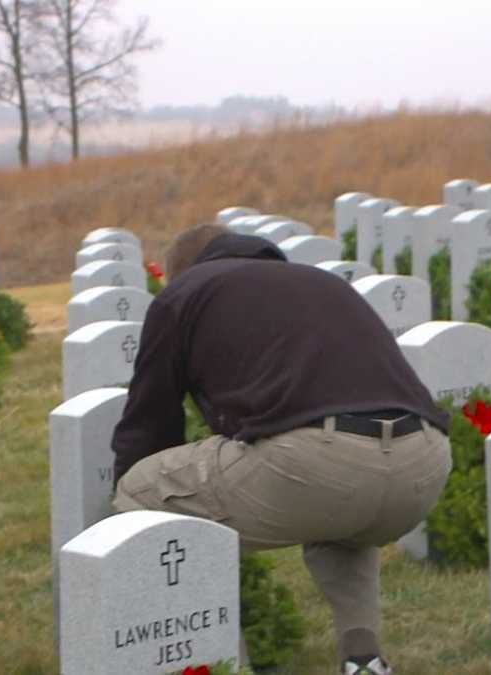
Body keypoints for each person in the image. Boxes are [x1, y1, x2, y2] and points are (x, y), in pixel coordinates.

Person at [111, 224, 452, 675]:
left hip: (316, 461)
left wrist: (116, 518)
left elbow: (150, 421)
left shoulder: (185, 293)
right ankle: (362, 658)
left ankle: (213, 661)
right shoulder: (320, 281)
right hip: (424, 461)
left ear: (178, 272)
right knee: (344, 519)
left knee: (140, 490)